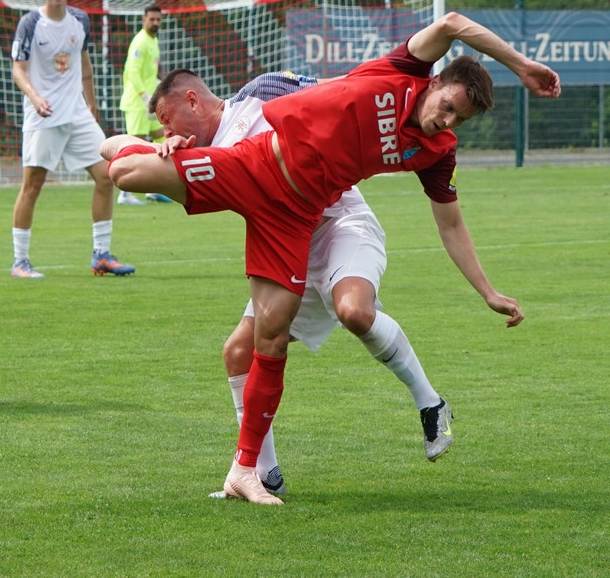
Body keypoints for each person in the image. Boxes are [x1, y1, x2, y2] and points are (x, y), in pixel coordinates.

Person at [101, 11, 561, 504]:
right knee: (238, 339)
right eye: (448, 106)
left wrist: (488, 292)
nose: (447, 120)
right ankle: (259, 471)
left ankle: (415, 409)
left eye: (457, 118)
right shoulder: (394, 73)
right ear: (437, 82)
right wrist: (154, 145)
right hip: (271, 196)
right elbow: (448, 24)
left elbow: (450, 222)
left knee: (327, 320)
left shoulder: (429, 138)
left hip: (324, 220)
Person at [149, 70, 456, 499]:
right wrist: (164, 148)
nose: (166, 130)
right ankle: (263, 473)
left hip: (340, 224)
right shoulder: (206, 152)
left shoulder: (261, 91)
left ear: (193, 101)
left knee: (355, 312)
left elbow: (339, 90)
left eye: (168, 119)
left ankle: (430, 403)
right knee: (239, 352)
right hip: (292, 246)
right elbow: (143, 166)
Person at [9, 0, 135, 279]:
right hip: (44, 116)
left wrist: (91, 105)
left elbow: (85, 65)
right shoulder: (30, 24)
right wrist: (35, 97)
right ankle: (19, 261)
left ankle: (101, 255)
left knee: (108, 175)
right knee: (32, 186)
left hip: (77, 114)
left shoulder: (80, 20)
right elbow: (18, 70)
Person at [117, 5, 170, 206]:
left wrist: (157, 88)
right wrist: (144, 95)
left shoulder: (153, 40)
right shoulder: (140, 42)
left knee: (162, 137)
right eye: (152, 19)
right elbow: (133, 72)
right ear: (144, 20)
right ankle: (125, 193)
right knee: (135, 147)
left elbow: (148, 73)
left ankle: (153, 189)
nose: (155, 23)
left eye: (158, 19)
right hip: (137, 102)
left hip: (150, 102)